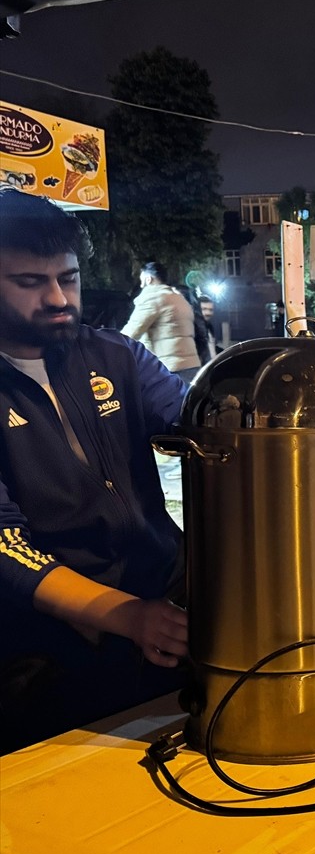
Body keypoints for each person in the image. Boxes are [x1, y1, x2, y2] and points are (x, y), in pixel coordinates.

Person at [0, 190, 189, 753]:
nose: (59, 298)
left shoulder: (118, 357)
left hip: (165, 609)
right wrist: (127, 615)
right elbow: (4, 545)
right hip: (50, 649)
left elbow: (202, 425)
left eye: (69, 277)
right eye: (30, 282)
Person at [121, 262, 202, 383]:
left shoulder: (153, 297)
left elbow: (132, 332)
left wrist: (109, 346)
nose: (142, 286)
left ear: (148, 279)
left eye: (142, 280)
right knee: (187, 401)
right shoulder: (179, 298)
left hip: (168, 368)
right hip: (191, 365)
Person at [195, 293, 219, 364]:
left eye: (210, 310)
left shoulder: (210, 327)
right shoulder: (194, 329)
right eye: (204, 309)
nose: (208, 313)